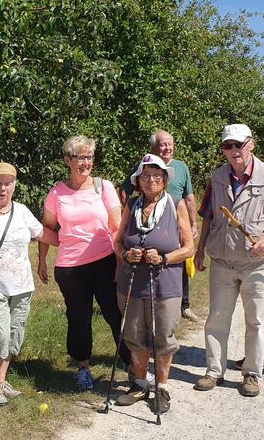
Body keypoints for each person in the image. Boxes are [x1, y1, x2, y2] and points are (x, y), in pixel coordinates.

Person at [38, 135, 130, 391]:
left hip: (104, 261)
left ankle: (132, 363)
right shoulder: (57, 192)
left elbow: (116, 227)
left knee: (115, 312)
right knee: (79, 317)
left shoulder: (103, 187)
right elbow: (46, 227)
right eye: (81, 157)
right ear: (68, 160)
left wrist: (120, 261)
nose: (86, 162)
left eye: (90, 157)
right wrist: (43, 260)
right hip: (70, 267)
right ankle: (83, 369)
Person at [0, 162, 59, 407]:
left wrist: (73, 242)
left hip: (22, 285)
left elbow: (42, 233)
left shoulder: (21, 211)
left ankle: (2, 382)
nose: (3, 188)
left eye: (8, 183)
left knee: (13, 337)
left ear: (14, 186)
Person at [113, 153, 194, 413]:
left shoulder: (175, 204)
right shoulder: (132, 205)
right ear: (138, 181)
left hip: (165, 284)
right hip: (132, 283)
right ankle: (139, 384)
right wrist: (126, 255)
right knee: (134, 336)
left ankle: (160, 388)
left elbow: (189, 247)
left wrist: (165, 258)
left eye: (156, 175)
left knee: (162, 337)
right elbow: (117, 242)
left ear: (164, 179)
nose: (151, 180)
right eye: (145, 175)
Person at [193, 124, 264, 397]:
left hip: (255, 263)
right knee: (217, 319)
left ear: (251, 144)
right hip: (222, 260)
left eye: (238, 145)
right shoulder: (217, 177)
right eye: (227, 146)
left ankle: (251, 374)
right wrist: (200, 251)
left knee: (256, 321)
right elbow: (208, 216)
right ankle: (214, 371)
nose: (233, 151)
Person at [120, 130, 199, 321]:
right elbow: (124, 190)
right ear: (153, 147)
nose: (168, 148)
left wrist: (193, 223)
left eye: (170, 144)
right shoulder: (141, 166)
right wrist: (130, 213)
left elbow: (189, 197)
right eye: (163, 144)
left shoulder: (181, 167)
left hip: (175, 218)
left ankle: (183, 304)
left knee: (176, 260)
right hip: (146, 218)